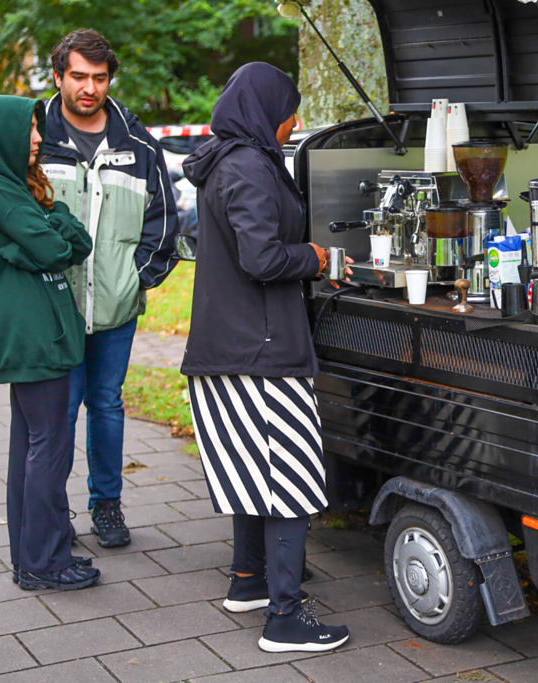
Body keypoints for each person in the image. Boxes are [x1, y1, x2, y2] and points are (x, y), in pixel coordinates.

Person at [181, 62, 351, 653]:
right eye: (288, 109)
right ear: (263, 110)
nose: (295, 121)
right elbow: (261, 258)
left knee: (254, 471)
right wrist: (317, 257)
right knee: (293, 478)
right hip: (261, 352)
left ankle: (250, 580)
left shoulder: (225, 160)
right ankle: (284, 618)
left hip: (229, 347)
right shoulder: (249, 167)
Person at [40, 29, 180, 548]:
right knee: (57, 412)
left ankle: (107, 508)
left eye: (99, 78)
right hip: (54, 309)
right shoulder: (36, 138)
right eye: (78, 76)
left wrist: (133, 279)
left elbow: (165, 223)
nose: (89, 88)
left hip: (117, 309)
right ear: (59, 76)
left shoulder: (138, 143)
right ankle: (53, 514)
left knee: (107, 405)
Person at [0, 94, 100, 590]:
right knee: (49, 447)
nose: (39, 138)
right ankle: (44, 562)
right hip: (31, 337)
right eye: (30, 130)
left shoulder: (8, 186)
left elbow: (70, 240)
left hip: (38, 333)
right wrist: (53, 227)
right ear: (2, 135)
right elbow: (54, 249)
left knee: (30, 446)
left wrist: (53, 222)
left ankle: (35, 556)